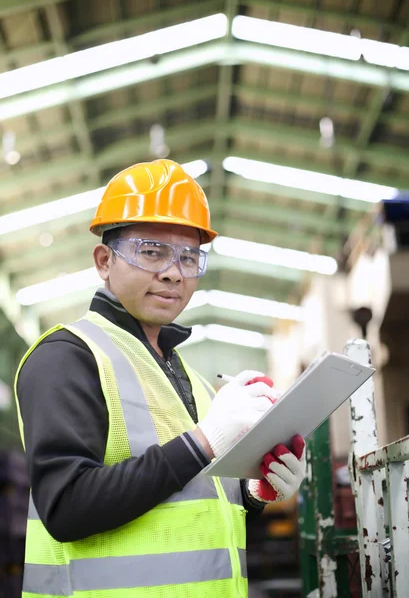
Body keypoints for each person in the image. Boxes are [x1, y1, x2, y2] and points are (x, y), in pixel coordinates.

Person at [15, 159, 306, 598]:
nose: (173, 272)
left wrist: (253, 492)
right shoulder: (67, 357)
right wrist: (204, 441)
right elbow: (66, 507)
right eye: (151, 251)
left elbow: (193, 506)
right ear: (103, 260)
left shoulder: (192, 379)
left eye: (189, 257)